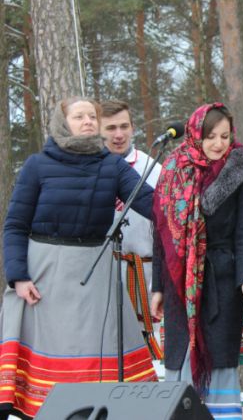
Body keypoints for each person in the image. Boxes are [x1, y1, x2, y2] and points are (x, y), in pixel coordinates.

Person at [0, 97, 157, 419]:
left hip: (95, 270)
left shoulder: (112, 166)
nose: (88, 121)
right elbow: (15, 225)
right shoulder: (37, 165)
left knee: (97, 352)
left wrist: (190, 204)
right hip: (45, 274)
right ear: (63, 123)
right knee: (53, 355)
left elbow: (152, 204)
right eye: (79, 116)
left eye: (92, 117)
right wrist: (18, 277)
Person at [151, 103, 243, 419]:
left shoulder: (239, 171)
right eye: (210, 136)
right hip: (178, 283)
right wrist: (158, 286)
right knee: (180, 357)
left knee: (218, 358)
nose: (218, 143)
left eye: (225, 136)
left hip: (220, 281)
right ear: (195, 134)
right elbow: (160, 234)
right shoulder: (172, 171)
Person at [100, 99, 163, 359]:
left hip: (146, 273)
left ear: (133, 127)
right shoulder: (90, 169)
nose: (119, 134)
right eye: (111, 128)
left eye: (124, 126)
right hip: (105, 272)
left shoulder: (153, 169)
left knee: (149, 351)